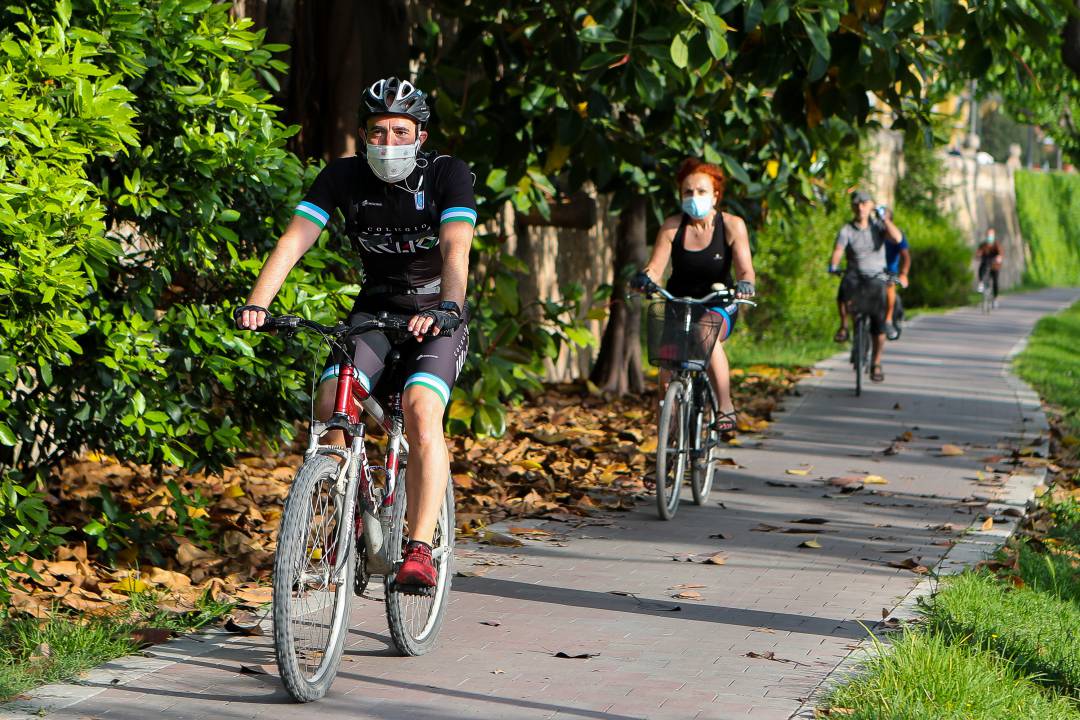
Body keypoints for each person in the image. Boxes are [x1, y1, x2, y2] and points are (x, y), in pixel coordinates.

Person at [235, 77, 477, 588]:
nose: (388, 143)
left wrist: (450, 305)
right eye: (377, 132)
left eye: (399, 131)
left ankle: (418, 549)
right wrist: (260, 301)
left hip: (436, 315)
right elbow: (296, 237)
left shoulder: (448, 176)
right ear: (362, 136)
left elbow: (457, 247)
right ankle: (344, 507)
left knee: (419, 408)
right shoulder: (342, 177)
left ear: (420, 136)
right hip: (375, 313)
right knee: (330, 402)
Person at [630, 158, 756, 433]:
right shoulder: (673, 227)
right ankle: (667, 449)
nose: (694, 197)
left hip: (718, 304)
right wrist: (644, 278)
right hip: (679, 304)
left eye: (701, 191)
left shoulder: (732, 225)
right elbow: (655, 268)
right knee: (665, 374)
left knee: (704, 333)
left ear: (715, 195)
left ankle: (725, 405)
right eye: (688, 192)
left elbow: (746, 270)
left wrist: (745, 284)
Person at [829, 190, 904, 383]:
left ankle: (876, 362)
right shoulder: (847, 230)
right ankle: (844, 326)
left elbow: (897, 239)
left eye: (864, 203)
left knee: (878, 325)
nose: (860, 207)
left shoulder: (878, 227)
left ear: (871, 206)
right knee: (845, 285)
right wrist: (833, 266)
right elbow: (838, 250)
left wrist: (885, 219)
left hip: (876, 277)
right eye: (857, 204)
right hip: (855, 277)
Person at [882, 207, 910, 340]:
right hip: (873, 270)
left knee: (889, 285)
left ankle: (888, 319)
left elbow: (906, 256)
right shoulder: (873, 232)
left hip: (889, 272)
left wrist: (904, 273)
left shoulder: (897, 234)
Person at [976, 228, 1003, 306]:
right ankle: (981, 283)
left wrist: (999, 257)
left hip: (995, 266)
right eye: (988, 235)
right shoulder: (983, 245)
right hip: (986, 263)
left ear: (993, 235)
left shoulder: (996, 244)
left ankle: (995, 299)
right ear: (986, 235)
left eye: (991, 235)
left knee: (995, 282)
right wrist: (978, 255)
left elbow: (1000, 252)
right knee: (981, 268)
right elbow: (979, 252)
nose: (989, 236)